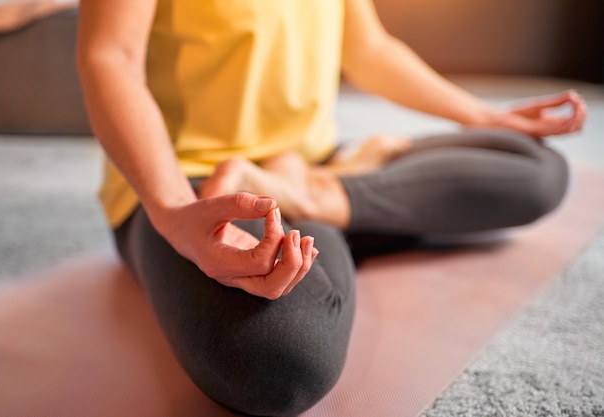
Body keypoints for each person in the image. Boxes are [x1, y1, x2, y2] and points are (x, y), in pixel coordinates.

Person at [76, 0, 587, 416]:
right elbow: (111, 56)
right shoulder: (177, 197)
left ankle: (317, 195)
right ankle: (331, 198)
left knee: (535, 168)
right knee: (281, 368)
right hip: (189, 183)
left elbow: (366, 47)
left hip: (314, 161)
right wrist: (171, 208)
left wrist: (485, 116)